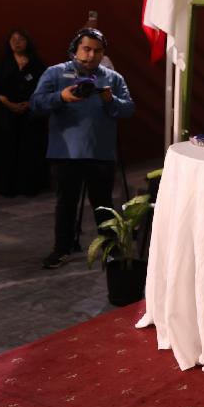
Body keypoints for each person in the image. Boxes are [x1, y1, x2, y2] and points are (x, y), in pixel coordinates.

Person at [30, 28, 135, 270]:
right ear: (74, 50)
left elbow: (129, 109)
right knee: (65, 204)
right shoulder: (55, 73)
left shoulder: (113, 78)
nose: (91, 55)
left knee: (104, 205)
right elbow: (35, 103)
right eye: (86, 49)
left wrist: (110, 100)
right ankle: (62, 249)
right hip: (66, 152)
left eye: (98, 51)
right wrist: (61, 97)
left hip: (101, 152)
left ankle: (111, 249)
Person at [0, 29, 48, 196]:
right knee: (7, 150)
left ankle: (28, 186)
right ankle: (7, 187)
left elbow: (45, 88)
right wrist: (9, 104)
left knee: (29, 150)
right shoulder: (4, 64)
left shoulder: (37, 64)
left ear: (27, 42)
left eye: (21, 39)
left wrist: (30, 103)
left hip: (31, 114)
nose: (17, 42)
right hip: (7, 114)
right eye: (13, 39)